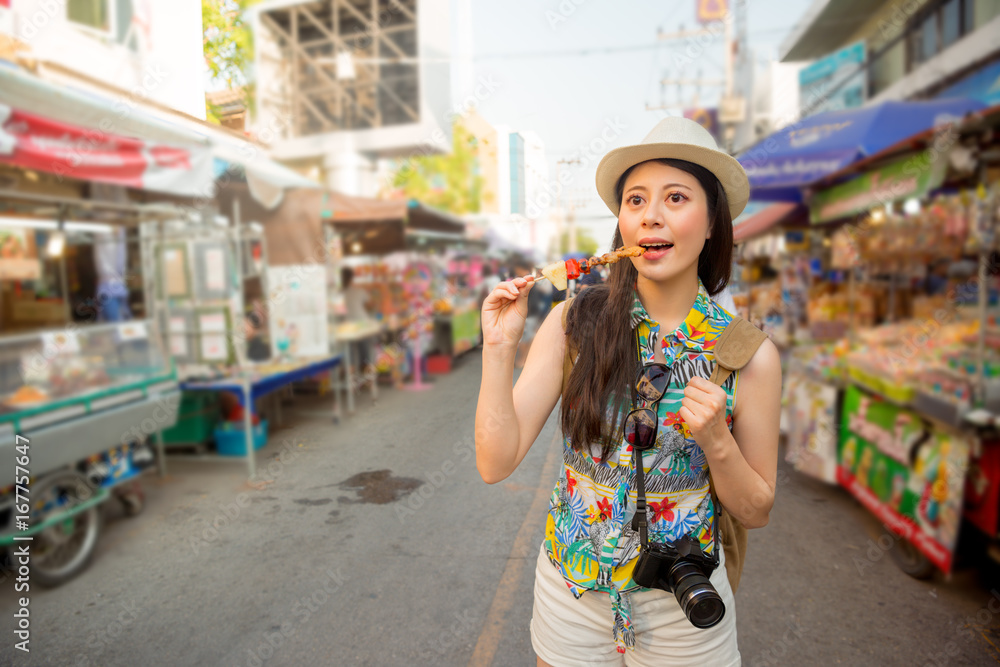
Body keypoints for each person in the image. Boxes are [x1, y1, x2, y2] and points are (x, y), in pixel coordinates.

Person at [475, 117, 782, 666]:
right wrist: (498, 351)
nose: (651, 214)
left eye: (676, 197)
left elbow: (756, 510)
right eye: (636, 199)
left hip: (684, 604)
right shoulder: (574, 322)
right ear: (622, 222)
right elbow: (495, 461)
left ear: (713, 222)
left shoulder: (748, 354)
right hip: (571, 595)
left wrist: (718, 441)